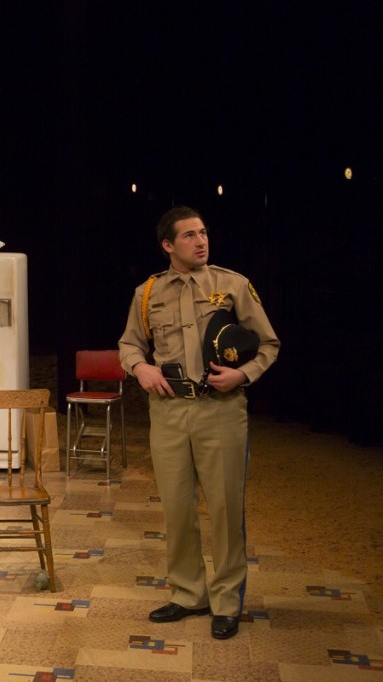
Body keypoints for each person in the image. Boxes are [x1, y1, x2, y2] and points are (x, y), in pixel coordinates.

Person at [118, 206, 280, 641]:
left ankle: (226, 601)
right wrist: (141, 369)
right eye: (189, 235)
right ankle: (189, 593)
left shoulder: (232, 285)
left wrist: (242, 375)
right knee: (177, 508)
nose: (201, 241)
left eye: (204, 232)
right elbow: (129, 344)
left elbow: (268, 343)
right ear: (168, 245)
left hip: (220, 410)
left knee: (226, 508)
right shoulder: (147, 293)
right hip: (168, 411)